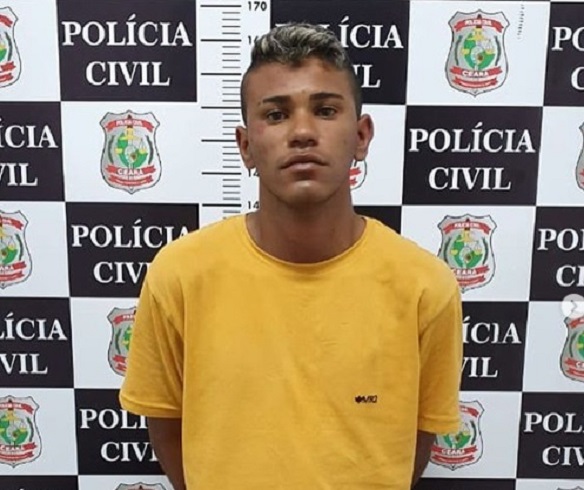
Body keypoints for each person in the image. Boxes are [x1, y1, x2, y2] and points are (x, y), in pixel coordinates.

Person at [119, 22, 463, 490]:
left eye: (325, 110)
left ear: (361, 135)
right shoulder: (181, 275)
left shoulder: (425, 286)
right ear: (246, 147)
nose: (302, 132)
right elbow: (166, 425)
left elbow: (413, 444)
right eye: (276, 114)